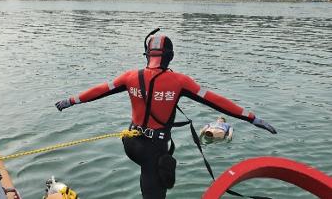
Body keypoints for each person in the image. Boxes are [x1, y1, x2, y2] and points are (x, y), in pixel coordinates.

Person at [54, 29, 277, 199]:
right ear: (170, 56)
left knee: (148, 176)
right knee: (156, 183)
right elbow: (215, 101)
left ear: (147, 54)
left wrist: (70, 101)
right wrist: (252, 117)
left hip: (131, 144)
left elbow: (100, 90)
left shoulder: (129, 77)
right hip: (154, 150)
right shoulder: (179, 82)